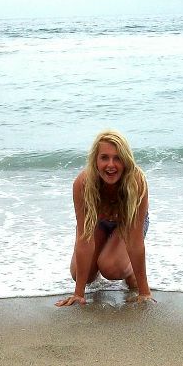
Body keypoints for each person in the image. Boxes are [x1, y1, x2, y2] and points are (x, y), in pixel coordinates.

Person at [56, 130, 153, 306]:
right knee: (80, 274)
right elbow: (84, 237)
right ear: (95, 160)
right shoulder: (83, 184)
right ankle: (105, 255)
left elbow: (135, 242)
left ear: (126, 160)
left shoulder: (136, 182)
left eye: (117, 158)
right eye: (104, 158)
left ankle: (129, 271)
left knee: (111, 268)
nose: (111, 165)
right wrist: (78, 294)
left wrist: (144, 292)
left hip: (127, 224)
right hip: (98, 224)